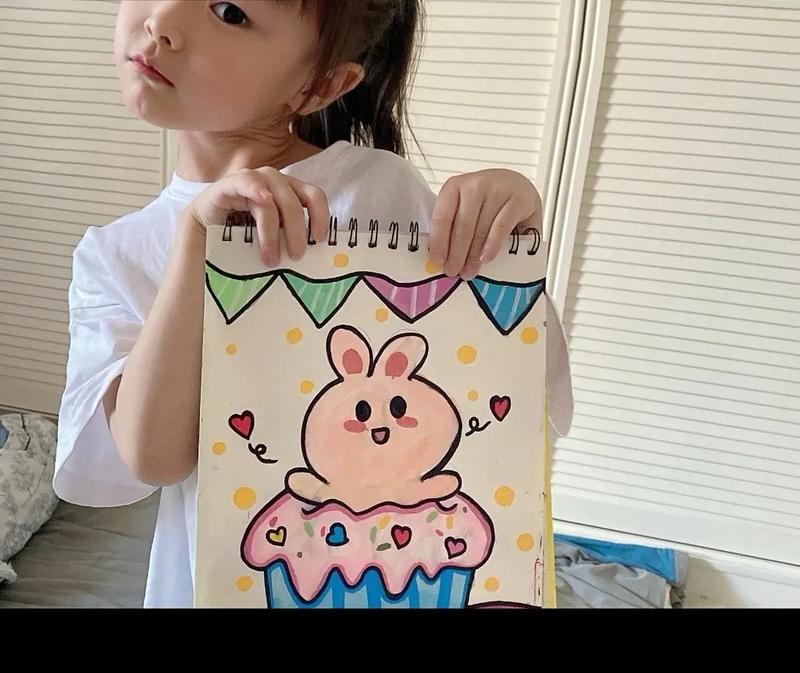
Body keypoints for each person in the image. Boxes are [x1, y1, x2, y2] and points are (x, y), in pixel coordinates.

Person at [52, 0, 572, 606]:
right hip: (222, 579)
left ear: (320, 85)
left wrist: (508, 245)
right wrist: (198, 240)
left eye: (229, 12)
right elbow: (152, 457)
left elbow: (517, 389)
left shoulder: (378, 191)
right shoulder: (115, 253)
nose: (161, 21)